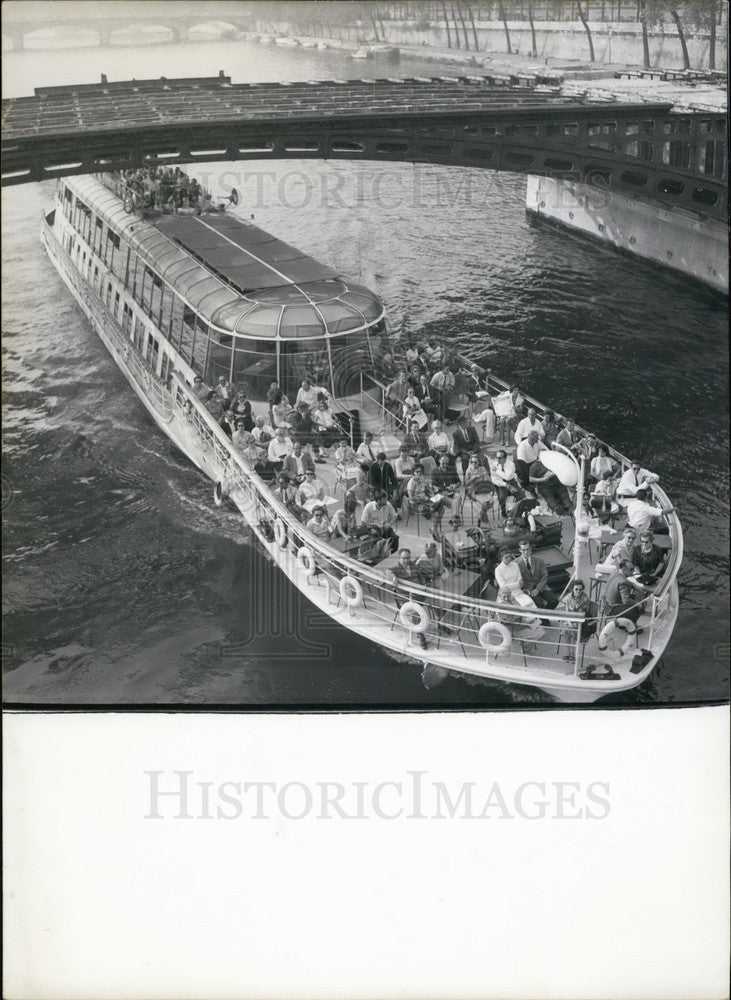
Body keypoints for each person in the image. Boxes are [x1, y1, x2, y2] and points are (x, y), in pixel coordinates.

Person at [390, 548, 429, 649]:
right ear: (399, 558)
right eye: (404, 558)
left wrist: (423, 584)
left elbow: (420, 576)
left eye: (408, 558)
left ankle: (442, 626)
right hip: (406, 597)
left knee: (434, 602)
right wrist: (394, 577)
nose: (407, 560)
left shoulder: (412, 564)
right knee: (416, 611)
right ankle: (420, 635)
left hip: (419, 593)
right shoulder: (396, 567)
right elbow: (387, 571)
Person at [604, 560, 648, 625]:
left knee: (635, 599)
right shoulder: (623, 582)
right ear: (624, 570)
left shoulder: (615, 572)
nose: (633, 571)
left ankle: (624, 623)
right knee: (641, 604)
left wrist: (633, 585)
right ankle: (630, 626)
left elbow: (624, 580)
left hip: (606, 602)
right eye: (631, 569)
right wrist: (638, 604)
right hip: (612, 608)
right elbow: (626, 601)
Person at [516, 540, 557, 609]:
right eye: (523, 550)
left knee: (554, 601)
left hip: (541, 585)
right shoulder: (516, 563)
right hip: (528, 588)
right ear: (519, 550)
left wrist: (538, 589)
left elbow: (544, 575)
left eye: (527, 549)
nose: (526, 552)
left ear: (530, 549)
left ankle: (542, 617)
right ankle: (544, 618)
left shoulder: (539, 560)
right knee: (540, 605)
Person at [557, 580, 593, 649]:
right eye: (576, 589)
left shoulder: (585, 598)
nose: (578, 591)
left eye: (580, 589)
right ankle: (571, 653)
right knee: (568, 628)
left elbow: (584, 613)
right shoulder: (568, 597)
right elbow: (567, 612)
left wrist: (580, 607)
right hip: (570, 618)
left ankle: (571, 653)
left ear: (582, 590)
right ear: (572, 589)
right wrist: (569, 621)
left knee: (570, 630)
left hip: (580, 620)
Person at [489, 450, 522, 517]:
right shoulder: (494, 465)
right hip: (500, 484)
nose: (498, 459)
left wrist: (497, 471)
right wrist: (504, 484)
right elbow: (494, 479)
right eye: (497, 457)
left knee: (521, 495)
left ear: (505, 458)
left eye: (500, 458)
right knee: (502, 497)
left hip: (511, 481)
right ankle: (503, 511)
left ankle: (514, 510)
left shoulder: (511, 464)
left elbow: (508, 477)